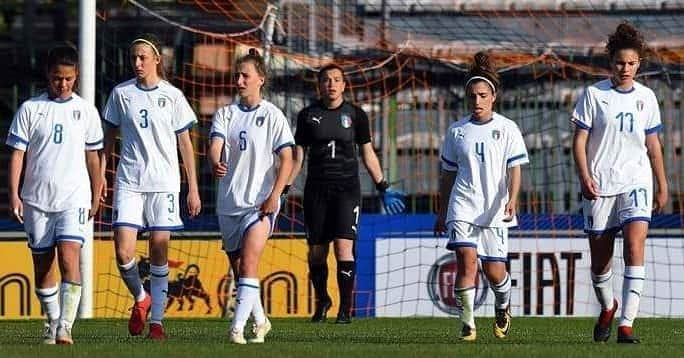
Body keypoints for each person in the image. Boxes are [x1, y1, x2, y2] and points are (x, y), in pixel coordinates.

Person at [571, 22, 668, 344]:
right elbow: (579, 141)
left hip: (636, 180)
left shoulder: (647, 97)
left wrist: (662, 184)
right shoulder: (594, 95)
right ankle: (608, 306)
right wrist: (585, 177)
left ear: (639, 64)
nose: (625, 68)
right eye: (619, 62)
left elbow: (653, 145)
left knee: (634, 245)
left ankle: (627, 324)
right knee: (600, 263)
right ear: (610, 63)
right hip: (600, 184)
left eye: (631, 63)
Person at [101, 34, 202, 340]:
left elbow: (185, 143)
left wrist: (193, 187)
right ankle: (141, 298)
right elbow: (108, 136)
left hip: (164, 184)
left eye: (143, 57)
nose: (137, 63)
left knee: (159, 249)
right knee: (123, 251)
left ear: (157, 59)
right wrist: (102, 174)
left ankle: (156, 322)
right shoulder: (121, 93)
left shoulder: (172, 96)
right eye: (133, 57)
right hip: (130, 181)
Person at [290, 63, 406, 324]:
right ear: (319, 86)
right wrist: (283, 188)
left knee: (344, 249)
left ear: (344, 85)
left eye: (336, 80)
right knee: (317, 252)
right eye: (326, 80)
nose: (331, 84)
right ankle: (322, 300)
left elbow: (367, 153)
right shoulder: (307, 115)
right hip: (316, 191)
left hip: (347, 190)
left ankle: (345, 309)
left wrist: (383, 185)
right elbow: (298, 158)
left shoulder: (356, 115)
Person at [7, 45, 104, 345]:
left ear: (76, 76)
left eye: (68, 79)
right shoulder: (30, 109)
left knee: (69, 255)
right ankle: (52, 320)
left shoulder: (86, 110)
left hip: (73, 197)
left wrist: (97, 192)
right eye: (56, 79)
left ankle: (65, 327)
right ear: (48, 76)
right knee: (42, 265)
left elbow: (93, 157)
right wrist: (14, 194)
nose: (62, 84)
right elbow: (17, 156)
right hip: (37, 199)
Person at [434, 52, 529, 341]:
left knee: (495, 272)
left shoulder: (507, 128)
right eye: (473, 95)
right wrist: (442, 210)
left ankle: (503, 305)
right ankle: (468, 323)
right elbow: (448, 174)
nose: (477, 101)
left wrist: (512, 199)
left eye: (483, 95)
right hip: (462, 205)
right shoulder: (457, 131)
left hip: (494, 209)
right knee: (466, 260)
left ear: (493, 97)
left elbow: (515, 169)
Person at [208, 48, 294, 344]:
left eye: (245, 75)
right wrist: (215, 160)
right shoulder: (225, 113)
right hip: (229, 203)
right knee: (241, 269)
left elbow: (288, 158)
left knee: (248, 264)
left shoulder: (273, 115)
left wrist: (275, 195)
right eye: (237, 75)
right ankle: (261, 320)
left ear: (261, 79)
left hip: (259, 204)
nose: (240, 80)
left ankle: (235, 329)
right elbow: (215, 145)